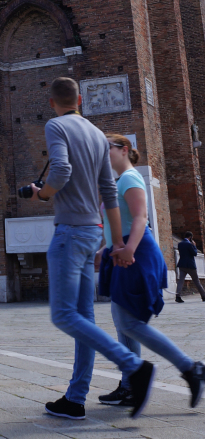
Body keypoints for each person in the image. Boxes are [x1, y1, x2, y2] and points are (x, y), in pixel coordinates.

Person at [29, 76, 154, 420]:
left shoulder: (56, 126)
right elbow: (108, 191)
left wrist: (43, 194)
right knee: (83, 317)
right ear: (80, 100)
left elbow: (61, 171)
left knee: (63, 314)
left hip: (69, 231)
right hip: (91, 232)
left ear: (52, 103)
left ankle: (134, 366)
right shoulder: (99, 135)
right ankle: (75, 398)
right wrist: (116, 242)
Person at [97, 135, 205, 409]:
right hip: (122, 251)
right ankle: (129, 384)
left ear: (124, 150)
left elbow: (140, 217)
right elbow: (117, 222)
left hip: (136, 254)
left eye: (106, 148)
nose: (102, 153)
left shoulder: (130, 178)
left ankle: (190, 368)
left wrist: (129, 249)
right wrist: (104, 248)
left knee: (130, 324)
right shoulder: (119, 181)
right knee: (124, 325)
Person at [175, 231, 205, 302]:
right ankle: (203, 296)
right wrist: (194, 245)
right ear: (190, 237)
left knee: (181, 281)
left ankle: (178, 296)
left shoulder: (180, 244)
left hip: (182, 264)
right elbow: (195, 253)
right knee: (196, 281)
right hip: (190, 265)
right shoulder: (189, 244)